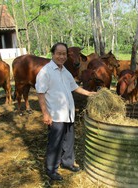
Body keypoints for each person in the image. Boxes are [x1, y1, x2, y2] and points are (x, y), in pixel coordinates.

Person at [35, 42, 96, 181]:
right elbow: (40, 93)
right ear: (53, 54)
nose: (62, 57)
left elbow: (74, 87)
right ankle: (51, 169)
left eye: (64, 54)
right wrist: (45, 113)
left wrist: (89, 94)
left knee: (68, 140)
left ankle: (68, 162)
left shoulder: (65, 71)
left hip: (68, 113)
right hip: (55, 115)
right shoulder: (45, 72)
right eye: (59, 53)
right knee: (55, 142)